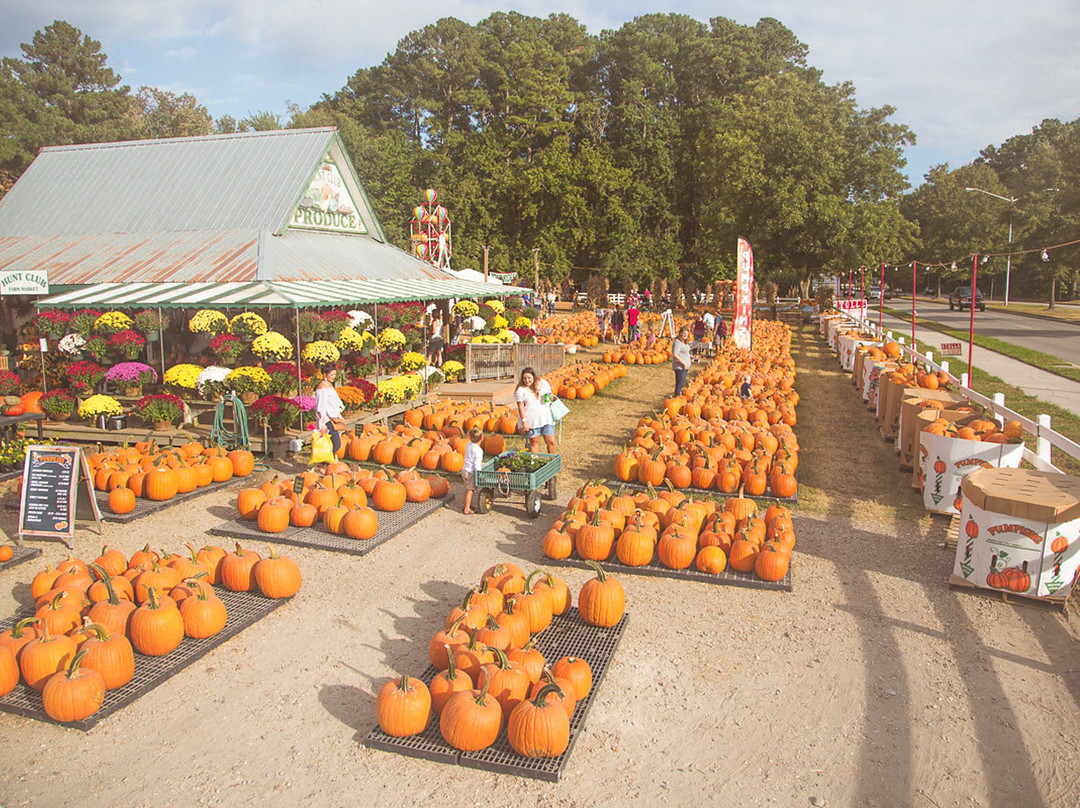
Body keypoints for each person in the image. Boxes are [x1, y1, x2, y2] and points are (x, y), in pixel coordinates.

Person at [515, 366, 556, 454]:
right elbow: (521, 407)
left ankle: (553, 463)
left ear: (534, 377)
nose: (527, 380)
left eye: (529, 378)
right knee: (534, 443)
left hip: (546, 418)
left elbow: (550, 395)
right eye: (524, 378)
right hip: (532, 421)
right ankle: (535, 463)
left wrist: (551, 396)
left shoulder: (542, 384)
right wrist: (524, 421)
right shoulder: (520, 390)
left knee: (551, 441)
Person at [314, 365, 345, 459]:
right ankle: (322, 464)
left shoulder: (329, 385)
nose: (333, 377)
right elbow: (321, 406)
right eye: (331, 375)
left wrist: (339, 416)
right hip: (327, 419)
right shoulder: (322, 388)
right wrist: (322, 423)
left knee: (333, 443)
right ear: (325, 374)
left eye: (334, 374)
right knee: (336, 444)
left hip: (333, 418)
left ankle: (326, 463)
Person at [461, 427, 484, 514]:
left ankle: (468, 505)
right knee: (470, 490)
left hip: (465, 470)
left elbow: (471, 457)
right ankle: (466, 509)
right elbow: (477, 466)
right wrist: (480, 475)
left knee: (468, 489)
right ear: (482, 438)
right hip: (470, 472)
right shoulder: (479, 450)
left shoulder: (469, 445)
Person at [672, 326, 692, 396]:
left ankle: (679, 397)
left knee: (682, 383)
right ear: (680, 333)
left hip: (685, 367)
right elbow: (675, 354)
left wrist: (690, 356)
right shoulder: (677, 342)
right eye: (683, 333)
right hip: (680, 367)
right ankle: (677, 398)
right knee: (679, 384)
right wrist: (683, 363)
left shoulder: (684, 342)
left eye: (686, 334)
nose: (685, 335)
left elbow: (684, 353)